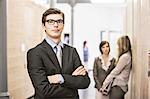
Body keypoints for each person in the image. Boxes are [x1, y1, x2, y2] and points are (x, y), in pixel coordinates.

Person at [27, 8, 90, 99]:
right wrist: (72, 83)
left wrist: (60, 78)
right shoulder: (35, 53)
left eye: (59, 21)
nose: (55, 25)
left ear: (63, 25)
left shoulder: (72, 51)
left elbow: (85, 82)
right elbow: (43, 90)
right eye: (50, 21)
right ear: (44, 26)